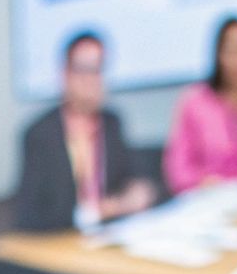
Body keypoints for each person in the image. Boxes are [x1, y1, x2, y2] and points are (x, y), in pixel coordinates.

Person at [14, 32, 156, 232]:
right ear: (65, 74)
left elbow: (133, 175)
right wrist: (100, 210)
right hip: (61, 240)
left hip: (108, 237)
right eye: (84, 70)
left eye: (98, 70)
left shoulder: (111, 122)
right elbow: (30, 215)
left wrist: (138, 191)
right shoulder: (40, 134)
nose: (92, 80)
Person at [163, 17, 237, 193]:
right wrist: (202, 183)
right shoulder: (195, 103)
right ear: (218, 54)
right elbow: (179, 169)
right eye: (231, 51)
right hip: (211, 199)